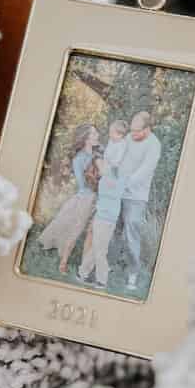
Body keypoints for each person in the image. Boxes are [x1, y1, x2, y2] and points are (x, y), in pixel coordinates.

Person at [37, 124, 99, 274]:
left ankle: (88, 264)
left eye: (96, 133)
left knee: (92, 231)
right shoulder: (79, 159)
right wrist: (96, 180)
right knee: (76, 230)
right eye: (94, 133)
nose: (97, 135)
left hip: (99, 198)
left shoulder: (97, 153)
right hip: (86, 198)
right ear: (86, 138)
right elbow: (82, 184)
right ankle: (63, 263)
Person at [78, 121, 128, 289]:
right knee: (98, 248)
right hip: (104, 216)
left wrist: (104, 163)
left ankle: (102, 279)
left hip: (107, 218)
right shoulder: (107, 178)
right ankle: (83, 273)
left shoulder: (115, 178)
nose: (98, 169)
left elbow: (112, 163)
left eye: (100, 166)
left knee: (100, 249)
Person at [117, 110, 162, 292]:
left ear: (148, 129)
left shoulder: (154, 145)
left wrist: (125, 183)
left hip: (136, 196)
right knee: (112, 228)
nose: (132, 134)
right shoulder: (128, 138)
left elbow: (145, 170)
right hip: (117, 191)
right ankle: (107, 265)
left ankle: (133, 273)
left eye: (137, 131)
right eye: (132, 130)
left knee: (131, 230)